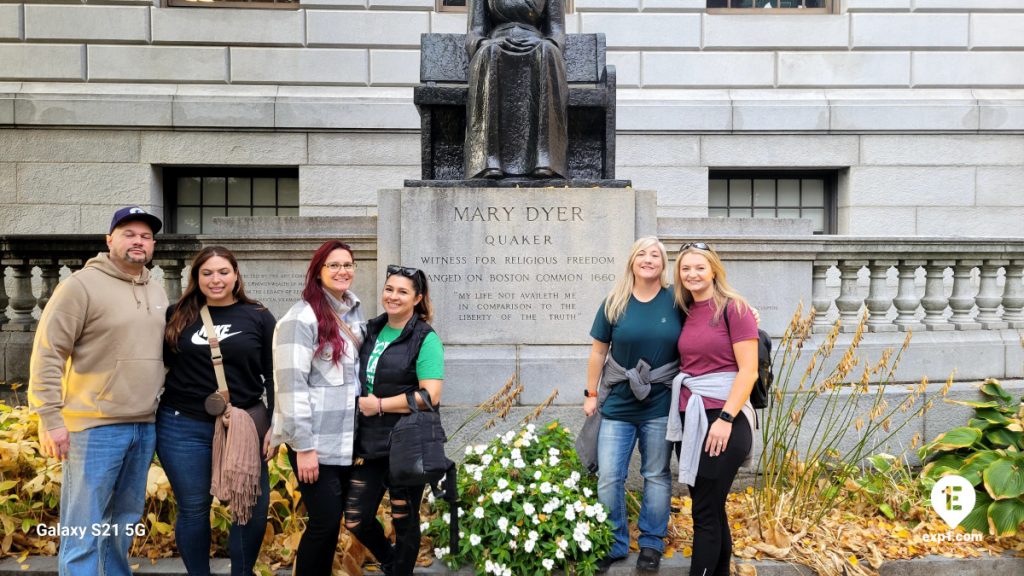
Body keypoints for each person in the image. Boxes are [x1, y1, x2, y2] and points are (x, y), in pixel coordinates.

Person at [28, 206, 168, 576]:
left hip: (144, 426)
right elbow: (48, 353)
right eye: (129, 233)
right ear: (110, 240)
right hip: (94, 426)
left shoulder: (156, 290)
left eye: (146, 236)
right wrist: (50, 418)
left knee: (122, 527)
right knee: (84, 529)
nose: (138, 241)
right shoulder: (79, 286)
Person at [156, 246, 276, 576]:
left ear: (236, 275)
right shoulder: (177, 314)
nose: (216, 279)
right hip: (183, 426)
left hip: (245, 424)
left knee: (248, 507)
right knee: (194, 508)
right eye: (207, 273)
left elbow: (273, 373)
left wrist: (276, 425)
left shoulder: (259, 316)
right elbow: (161, 365)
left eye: (223, 271)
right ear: (196, 278)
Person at [583, 236, 679, 573]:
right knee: (609, 476)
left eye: (655, 254)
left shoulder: (676, 300)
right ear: (632, 261)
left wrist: (748, 311)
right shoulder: (615, 301)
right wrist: (590, 394)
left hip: (660, 404)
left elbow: (712, 310)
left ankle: (652, 544)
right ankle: (614, 543)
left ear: (663, 264)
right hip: (619, 403)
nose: (648, 259)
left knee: (656, 474)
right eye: (642, 253)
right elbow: (598, 351)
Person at [269, 240, 365, 576]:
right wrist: (304, 448)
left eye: (348, 264)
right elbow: (291, 386)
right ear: (318, 272)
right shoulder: (300, 318)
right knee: (324, 523)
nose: (343, 271)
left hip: (346, 441)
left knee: (332, 522)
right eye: (334, 265)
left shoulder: (353, 312)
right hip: (316, 444)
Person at [345, 265, 444, 576]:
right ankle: (391, 562)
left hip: (407, 443)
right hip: (370, 441)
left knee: (404, 518)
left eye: (402, 291)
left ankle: (400, 570)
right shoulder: (372, 329)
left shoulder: (425, 338)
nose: (393, 296)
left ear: (417, 298)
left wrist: (381, 405)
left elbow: (430, 396)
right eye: (389, 289)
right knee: (355, 517)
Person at [668, 242, 758, 576]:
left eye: (699, 267)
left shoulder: (734, 308)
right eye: (685, 268)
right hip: (689, 418)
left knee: (704, 512)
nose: (692, 274)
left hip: (724, 418)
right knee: (711, 507)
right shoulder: (684, 309)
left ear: (714, 270)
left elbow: (748, 370)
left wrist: (725, 419)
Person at [465, 0, 568, 178]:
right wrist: (485, 42)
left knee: (548, 51)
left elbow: (557, 32)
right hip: (496, 44)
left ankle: (545, 159)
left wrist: (547, 42)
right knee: (489, 53)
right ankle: (488, 160)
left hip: (536, 44)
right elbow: (475, 32)